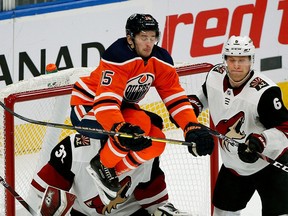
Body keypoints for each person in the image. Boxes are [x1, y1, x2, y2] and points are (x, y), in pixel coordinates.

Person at [69, 13, 214, 203]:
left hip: (119, 107)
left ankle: (113, 170)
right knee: (140, 123)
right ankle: (102, 163)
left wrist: (190, 126)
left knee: (157, 141)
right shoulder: (118, 56)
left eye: (153, 37)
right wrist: (119, 128)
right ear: (130, 38)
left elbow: (175, 97)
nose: (149, 43)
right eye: (143, 37)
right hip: (88, 105)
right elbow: (106, 103)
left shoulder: (160, 60)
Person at [186, 35, 288, 216]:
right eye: (232, 59)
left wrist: (261, 141)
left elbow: (285, 129)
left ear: (251, 61)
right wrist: (190, 108)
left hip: (270, 164)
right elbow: (204, 96)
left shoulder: (265, 92)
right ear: (224, 60)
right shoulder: (215, 75)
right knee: (222, 212)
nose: (236, 65)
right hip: (235, 165)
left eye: (242, 60)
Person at [27, 125, 191, 215]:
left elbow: (155, 202)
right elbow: (41, 191)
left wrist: (162, 212)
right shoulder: (76, 147)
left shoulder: (147, 153)